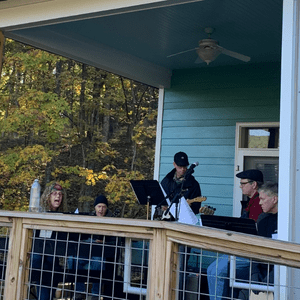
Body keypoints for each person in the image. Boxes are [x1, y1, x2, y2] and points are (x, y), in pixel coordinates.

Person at [207, 169, 264, 300]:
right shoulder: (251, 202)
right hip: (240, 248)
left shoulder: (257, 204)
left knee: (216, 271)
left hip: (249, 252)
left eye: (243, 183)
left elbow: (252, 231)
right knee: (211, 269)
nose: (240, 186)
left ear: (254, 184)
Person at [238, 182, 278, 299]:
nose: (259, 203)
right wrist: (254, 273)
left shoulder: (286, 219)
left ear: (274, 199)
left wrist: (270, 279)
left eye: (262, 199)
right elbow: (257, 248)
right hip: (261, 269)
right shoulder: (262, 218)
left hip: (278, 272)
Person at [72, 195, 115, 300]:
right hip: (87, 249)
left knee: (98, 262)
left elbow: (114, 239)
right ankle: (79, 291)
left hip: (101, 251)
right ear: (95, 207)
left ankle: (95, 294)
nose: (101, 209)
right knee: (73, 259)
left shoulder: (112, 218)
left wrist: (104, 241)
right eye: (99, 206)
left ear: (106, 208)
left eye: (103, 207)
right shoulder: (89, 216)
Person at [30, 182, 66, 300]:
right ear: (48, 196)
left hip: (52, 253)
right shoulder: (39, 211)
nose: (58, 197)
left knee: (53, 264)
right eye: (54, 194)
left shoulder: (63, 214)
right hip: (38, 253)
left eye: (60, 194)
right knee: (40, 261)